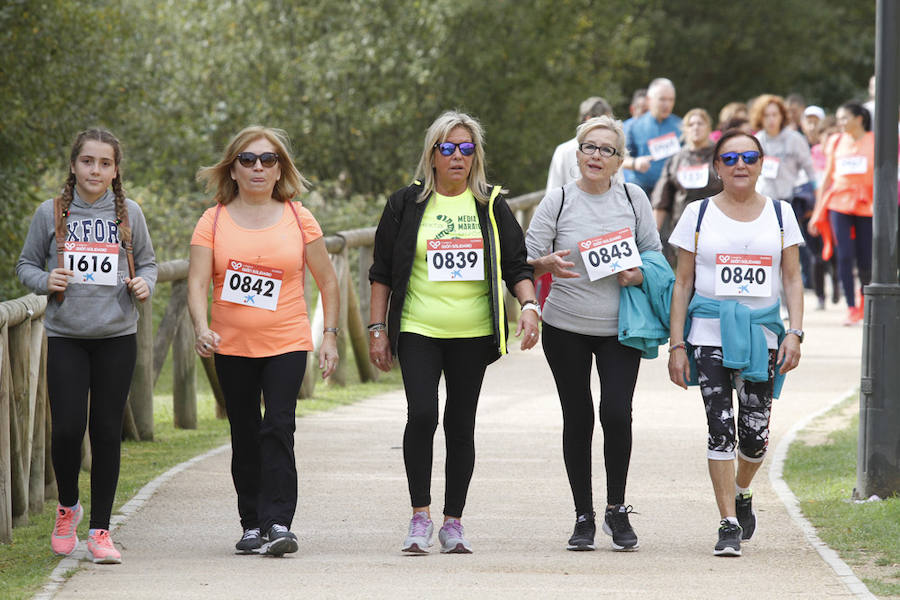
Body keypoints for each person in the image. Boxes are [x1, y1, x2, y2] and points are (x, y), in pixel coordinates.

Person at [368, 111, 539, 554]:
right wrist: (376, 329)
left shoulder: (490, 205)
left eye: (467, 149)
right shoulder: (404, 204)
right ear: (433, 155)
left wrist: (530, 305)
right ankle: (419, 516)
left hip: (473, 333)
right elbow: (381, 273)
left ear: (476, 156)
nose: (458, 156)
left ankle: (453, 522)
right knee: (422, 415)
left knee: (460, 424)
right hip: (418, 327)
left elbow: (517, 265)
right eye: (448, 148)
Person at [187, 126, 340, 556]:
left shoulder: (298, 217)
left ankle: (278, 522)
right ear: (232, 169)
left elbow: (328, 282)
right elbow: (197, 282)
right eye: (248, 160)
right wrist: (201, 327)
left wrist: (328, 336)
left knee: (278, 425)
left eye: (268, 160)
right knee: (245, 430)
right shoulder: (212, 220)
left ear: (280, 170)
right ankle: (250, 523)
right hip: (232, 346)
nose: (257, 167)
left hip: (287, 341)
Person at [16, 128, 157, 564]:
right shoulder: (51, 212)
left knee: (107, 431)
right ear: (73, 165)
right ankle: (67, 508)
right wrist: (46, 280)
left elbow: (149, 263)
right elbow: (26, 265)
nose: (95, 170)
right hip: (67, 336)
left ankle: (100, 530)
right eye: (88, 161)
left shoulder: (128, 213)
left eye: (105, 163)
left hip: (117, 335)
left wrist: (143, 283)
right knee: (67, 429)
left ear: (116, 171)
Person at [526, 115, 662, 552]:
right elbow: (524, 260)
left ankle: (616, 510)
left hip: (620, 327)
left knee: (617, 414)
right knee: (578, 416)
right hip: (566, 325)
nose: (597, 156)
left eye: (607, 150)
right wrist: (545, 265)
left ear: (620, 160)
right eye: (590, 147)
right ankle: (583, 515)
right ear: (577, 153)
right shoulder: (558, 201)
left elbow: (655, 257)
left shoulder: (633, 197)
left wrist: (637, 274)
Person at [667, 130, 804, 557]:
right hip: (708, 334)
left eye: (748, 156)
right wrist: (675, 345)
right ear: (717, 167)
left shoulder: (781, 215)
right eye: (730, 158)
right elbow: (683, 281)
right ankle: (727, 522)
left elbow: (793, 277)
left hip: (762, 335)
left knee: (755, 436)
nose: (740, 164)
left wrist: (795, 332)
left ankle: (743, 489)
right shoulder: (698, 213)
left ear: (762, 163)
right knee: (719, 428)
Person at [809, 102, 874, 325]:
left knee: (865, 257)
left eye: (845, 118)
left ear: (859, 119)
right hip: (838, 202)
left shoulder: (875, 140)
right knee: (844, 255)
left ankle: (865, 300)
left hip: (867, 204)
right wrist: (818, 210)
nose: (841, 123)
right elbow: (827, 176)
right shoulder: (836, 141)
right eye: (839, 119)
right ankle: (851, 307)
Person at [750, 95, 816, 293]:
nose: (771, 119)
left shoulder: (794, 139)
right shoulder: (756, 140)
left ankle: (790, 300)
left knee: (789, 255)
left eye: (774, 114)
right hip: (761, 203)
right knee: (763, 252)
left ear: (782, 116)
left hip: (788, 203)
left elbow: (810, 171)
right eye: (766, 115)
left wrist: (814, 200)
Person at [651, 108, 724, 266]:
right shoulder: (676, 159)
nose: (696, 127)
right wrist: (652, 235)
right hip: (683, 226)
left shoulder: (721, 156)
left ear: (708, 127)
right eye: (691, 124)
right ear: (685, 129)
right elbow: (661, 200)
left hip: (717, 225)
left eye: (700, 123)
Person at [623, 78, 682, 197]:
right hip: (640, 191)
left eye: (671, 100)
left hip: (670, 192)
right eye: (662, 99)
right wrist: (635, 163)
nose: (667, 104)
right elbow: (619, 158)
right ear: (649, 100)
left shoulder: (681, 126)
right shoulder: (633, 126)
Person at [546, 96, 614, 190]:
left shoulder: (613, 150)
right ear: (588, 119)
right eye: (605, 122)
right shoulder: (563, 151)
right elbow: (553, 192)